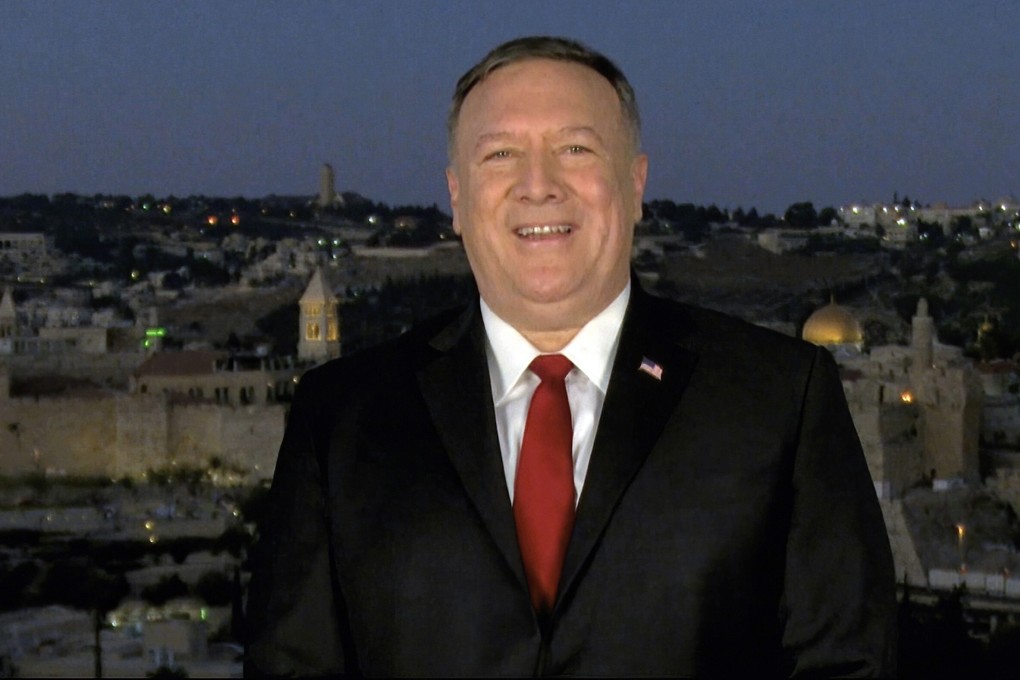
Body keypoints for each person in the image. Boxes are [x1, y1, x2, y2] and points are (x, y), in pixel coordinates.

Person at [244, 36, 896, 677]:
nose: (539, 185)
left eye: (575, 148)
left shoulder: (780, 398)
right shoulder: (341, 419)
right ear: (457, 199)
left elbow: (845, 663)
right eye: (501, 154)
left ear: (635, 184)